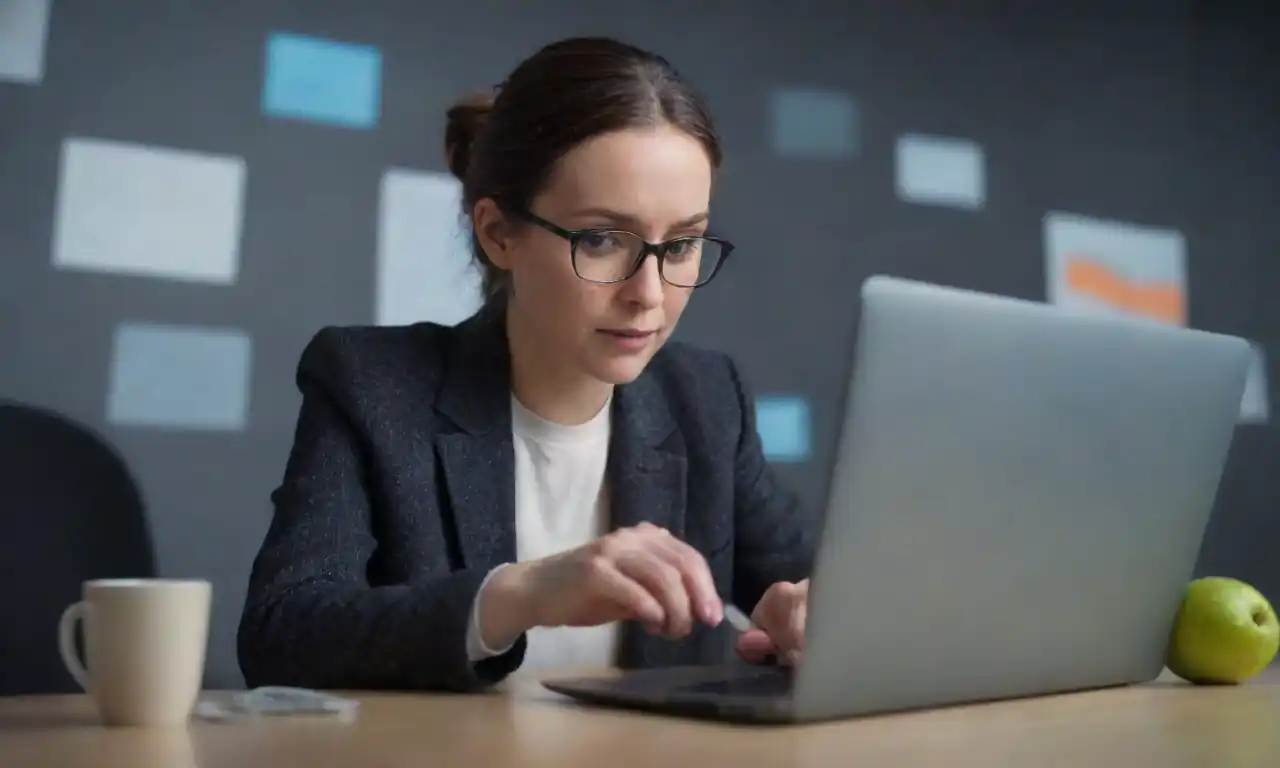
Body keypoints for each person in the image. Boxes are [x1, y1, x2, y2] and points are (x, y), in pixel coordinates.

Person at [237, 36, 814, 693]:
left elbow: (813, 581)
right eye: (601, 239)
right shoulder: (371, 384)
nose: (649, 294)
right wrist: (522, 593)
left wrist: (811, 609)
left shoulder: (706, 398)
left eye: (681, 244)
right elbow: (280, 635)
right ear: (497, 233)